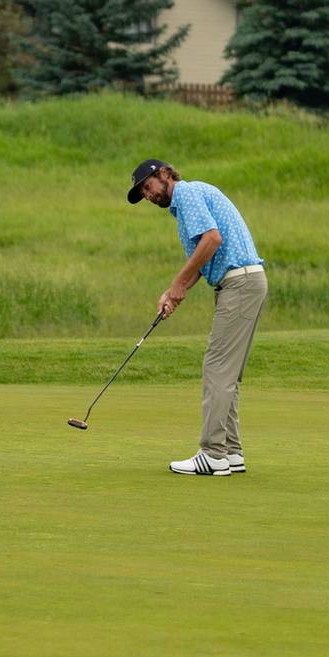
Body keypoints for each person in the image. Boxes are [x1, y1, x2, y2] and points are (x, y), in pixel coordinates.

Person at [127, 158, 267, 476]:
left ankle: (213, 453)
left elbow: (212, 240)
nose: (148, 196)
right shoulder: (186, 204)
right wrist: (174, 293)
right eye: (143, 194)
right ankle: (230, 453)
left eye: (147, 187)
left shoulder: (186, 193)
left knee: (217, 368)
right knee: (226, 372)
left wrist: (177, 284)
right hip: (242, 282)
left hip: (239, 283)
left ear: (164, 175)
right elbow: (204, 260)